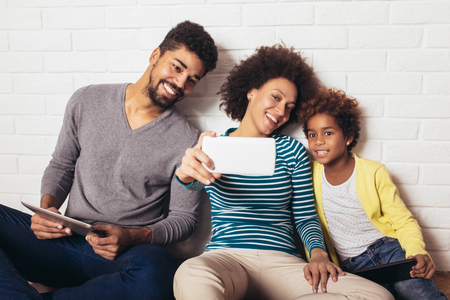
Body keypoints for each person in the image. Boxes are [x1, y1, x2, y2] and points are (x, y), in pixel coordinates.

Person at [0, 21, 218, 300]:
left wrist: (133, 237)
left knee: (159, 271)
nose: (180, 83)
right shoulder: (86, 100)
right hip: (64, 244)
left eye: (192, 79)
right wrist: (48, 209)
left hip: (124, 257)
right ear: (155, 55)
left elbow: (183, 219)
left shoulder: (186, 138)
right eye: (177, 67)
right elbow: (61, 165)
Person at [173, 45, 393, 300]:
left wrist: (318, 253)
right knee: (189, 272)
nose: (281, 112)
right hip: (226, 258)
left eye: (289, 107)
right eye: (276, 98)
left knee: (377, 296)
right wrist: (185, 173)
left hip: (283, 263)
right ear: (252, 92)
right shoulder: (215, 146)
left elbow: (305, 216)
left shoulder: (292, 151)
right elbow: (193, 183)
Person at [297, 87, 447, 300]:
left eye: (328, 133)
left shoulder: (373, 172)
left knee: (413, 290)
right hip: (352, 266)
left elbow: (403, 221)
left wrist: (417, 252)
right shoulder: (308, 175)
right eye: (312, 134)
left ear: (348, 137)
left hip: (389, 250)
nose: (318, 141)